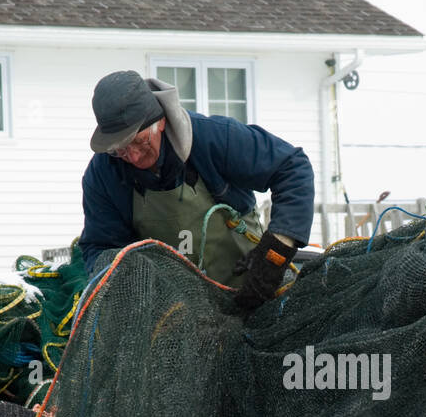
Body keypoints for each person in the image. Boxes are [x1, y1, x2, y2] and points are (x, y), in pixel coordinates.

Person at [78, 70, 315, 310]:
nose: (134, 156)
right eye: (120, 149)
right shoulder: (103, 174)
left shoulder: (214, 136)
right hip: (172, 313)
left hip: (251, 291)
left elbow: (293, 167)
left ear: (160, 121)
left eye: (140, 142)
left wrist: (276, 253)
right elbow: (101, 247)